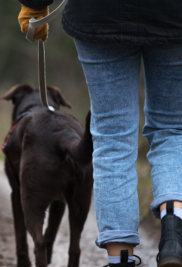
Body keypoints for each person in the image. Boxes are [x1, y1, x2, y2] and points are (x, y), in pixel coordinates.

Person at [17, 1, 182, 266]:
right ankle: (173, 234)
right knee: (172, 129)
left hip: (98, 15)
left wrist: (35, 5)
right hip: (173, 14)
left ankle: (121, 260)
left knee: (112, 138)